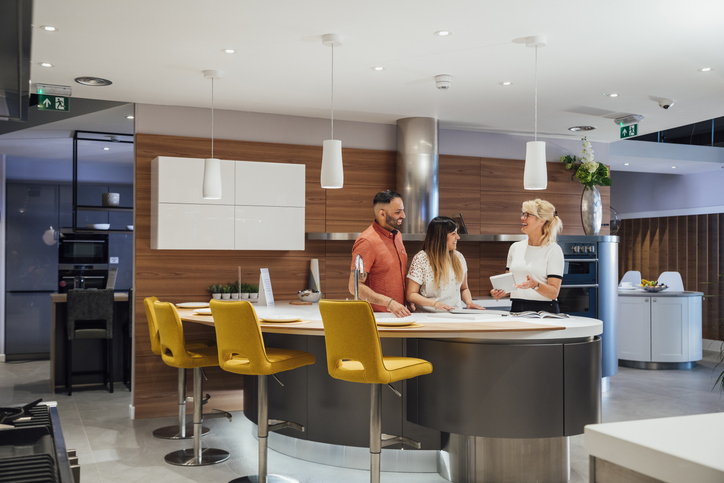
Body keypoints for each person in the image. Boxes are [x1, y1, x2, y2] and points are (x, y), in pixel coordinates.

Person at [491, 199, 564, 313]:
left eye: (527, 215)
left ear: (541, 221)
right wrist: (500, 292)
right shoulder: (515, 247)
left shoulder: (553, 250)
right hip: (517, 308)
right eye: (523, 214)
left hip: (544, 311)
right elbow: (509, 286)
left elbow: (554, 292)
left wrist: (535, 285)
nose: (522, 218)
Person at [349, 190, 411, 317]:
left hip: (398, 315)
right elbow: (354, 286)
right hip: (376, 317)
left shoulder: (397, 235)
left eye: (403, 210)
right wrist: (389, 303)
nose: (403, 216)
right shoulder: (367, 241)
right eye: (397, 212)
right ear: (382, 214)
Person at [406, 216, 485, 312]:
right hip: (427, 317)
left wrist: (469, 303)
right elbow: (411, 294)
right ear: (441, 237)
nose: (458, 237)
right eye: (453, 234)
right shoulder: (421, 259)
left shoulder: (459, 258)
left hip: (455, 316)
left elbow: (463, 289)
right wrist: (434, 304)